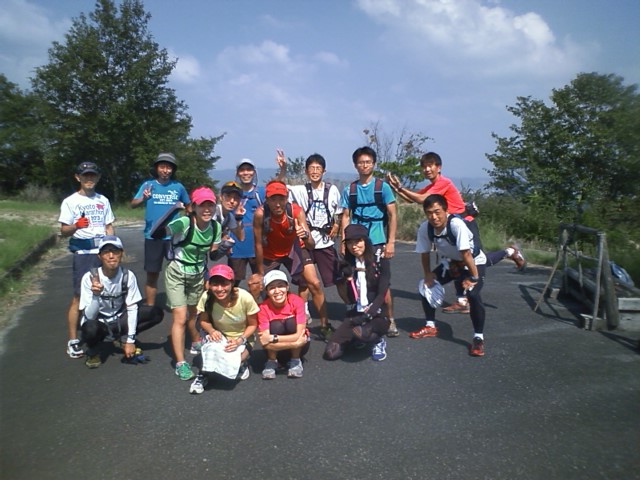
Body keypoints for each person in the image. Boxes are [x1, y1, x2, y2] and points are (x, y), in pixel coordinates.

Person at [387, 151, 526, 314]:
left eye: (430, 166)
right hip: (450, 226)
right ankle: (462, 300)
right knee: (454, 261)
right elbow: (413, 198)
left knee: (476, 261)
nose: (427, 170)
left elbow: (422, 199)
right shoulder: (432, 186)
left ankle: (509, 252)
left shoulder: (443, 182)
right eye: (424, 167)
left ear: (439, 167)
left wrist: (400, 187)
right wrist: (396, 188)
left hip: (464, 224)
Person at [152, 186, 222, 380]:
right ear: (193, 207)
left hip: (197, 274)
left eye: (210, 205)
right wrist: (173, 209)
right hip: (177, 272)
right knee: (180, 317)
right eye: (202, 205)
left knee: (194, 313)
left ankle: (195, 340)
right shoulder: (184, 223)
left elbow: (214, 255)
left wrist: (225, 247)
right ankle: (181, 363)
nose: (207, 209)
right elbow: (156, 233)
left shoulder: (215, 227)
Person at [411, 194, 488, 356]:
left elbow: (466, 254)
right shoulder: (426, 228)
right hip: (452, 263)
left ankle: (478, 338)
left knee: (473, 294)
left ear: (446, 210)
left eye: (437, 212)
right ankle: (430, 326)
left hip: (473, 263)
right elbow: (424, 253)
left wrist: (473, 278)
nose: (434, 217)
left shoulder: (456, 224)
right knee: (425, 286)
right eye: (429, 213)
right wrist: (428, 274)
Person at [253, 180, 332, 338]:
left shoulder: (295, 211)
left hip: (293, 249)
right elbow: (258, 244)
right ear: (266, 200)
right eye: (273, 199)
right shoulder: (260, 214)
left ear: (287, 198)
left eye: (281, 199)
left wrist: (305, 235)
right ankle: (257, 328)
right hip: (270, 253)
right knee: (257, 286)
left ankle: (325, 325)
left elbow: (311, 244)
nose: (277, 204)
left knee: (314, 283)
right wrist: (260, 272)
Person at [276, 151, 342, 339]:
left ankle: (351, 308)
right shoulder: (300, 190)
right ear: (306, 171)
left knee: (338, 278)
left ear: (324, 170)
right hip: (304, 242)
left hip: (325, 242)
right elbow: (278, 188)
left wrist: (337, 225)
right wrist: (283, 169)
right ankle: (310, 318)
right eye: (311, 168)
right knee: (310, 282)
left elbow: (338, 212)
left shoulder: (332, 190)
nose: (314, 171)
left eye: (318, 168)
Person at [339, 146, 399, 337]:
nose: (364, 165)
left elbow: (392, 214)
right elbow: (345, 216)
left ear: (373, 164)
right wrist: (344, 241)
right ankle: (359, 313)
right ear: (355, 165)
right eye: (361, 162)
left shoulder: (383, 188)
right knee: (354, 279)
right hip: (356, 242)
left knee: (382, 283)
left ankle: (389, 318)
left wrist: (391, 242)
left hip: (377, 241)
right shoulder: (350, 190)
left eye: (368, 162)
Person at [59, 161, 115, 359]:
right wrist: (76, 225)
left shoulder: (103, 200)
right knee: (79, 296)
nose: (89, 179)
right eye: (85, 175)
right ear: (78, 177)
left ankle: (102, 331)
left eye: (92, 175)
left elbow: (109, 226)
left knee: (105, 291)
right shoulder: (70, 201)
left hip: (102, 252)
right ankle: (73, 340)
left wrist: (113, 248)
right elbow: (63, 231)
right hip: (83, 254)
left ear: (98, 177)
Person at [79, 236, 163, 368]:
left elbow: (132, 308)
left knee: (155, 313)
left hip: (119, 319)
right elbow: (89, 316)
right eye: (106, 252)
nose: (111, 256)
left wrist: (130, 340)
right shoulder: (89, 278)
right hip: (99, 322)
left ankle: (121, 339)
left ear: (121, 254)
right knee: (90, 328)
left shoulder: (127, 276)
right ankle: (93, 350)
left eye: (115, 251)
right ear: (99, 256)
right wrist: (96, 295)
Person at [130, 152, 190, 307]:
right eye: (162, 167)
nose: (166, 170)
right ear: (156, 168)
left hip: (174, 237)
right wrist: (143, 198)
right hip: (153, 236)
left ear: (173, 170)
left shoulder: (178, 187)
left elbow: (189, 206)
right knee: (152, 273)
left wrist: (187, 219)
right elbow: (133, 203)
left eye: (169, 167)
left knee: (179, 272)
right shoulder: (148, 185)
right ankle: (150, 306)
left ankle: (179, 304)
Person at [324, 224, 391, 362]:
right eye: (350, 243)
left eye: (358, 241)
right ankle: (354, 339)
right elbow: (350, 297)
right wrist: (348, 279)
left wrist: (369, 313)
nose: (354, 246)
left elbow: (382, 293)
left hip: (377, 313)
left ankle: (378, 342)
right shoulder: (348, 263)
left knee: (363, 332)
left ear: (365, 241)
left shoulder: (380, 260)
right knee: (331, 353)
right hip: (356, 313)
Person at [189, 264, 259, 394]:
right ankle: (203, 375)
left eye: (224, 284)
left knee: (235, 358)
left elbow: (253, 325)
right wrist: (212, 331)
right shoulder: (206, 297)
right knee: (210, 351)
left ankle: (242, 364)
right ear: (209, 285)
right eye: (215, 284)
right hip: (220, 334)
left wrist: (239, 340)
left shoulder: (245, 297)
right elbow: (203, 321)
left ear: (232, 283)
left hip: (242, 337)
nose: (220, 289)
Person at [257, 270, 310, 379]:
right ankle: (272, 361)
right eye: (272, 288)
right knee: (275, 325)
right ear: (266, 291)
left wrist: (272, 338)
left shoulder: (297, 301)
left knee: (291, 322)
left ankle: (295, 360)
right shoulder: (262, 308)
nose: (277, 291)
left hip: (300, 347)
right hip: (283, 347)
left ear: (287, 287)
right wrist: (295, 343)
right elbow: (264, 342)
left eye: (281, 286)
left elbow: (299, 334)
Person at [226, 159, 265, 286]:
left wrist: (282, 170)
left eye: (249, 169)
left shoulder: (260, 192)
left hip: (257, 244)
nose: (246, 173)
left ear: (254, 172)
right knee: (232, 282)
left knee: (260, 281)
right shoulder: (232, 193)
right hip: (236, 245)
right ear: (237, 173)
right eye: (242, 170)